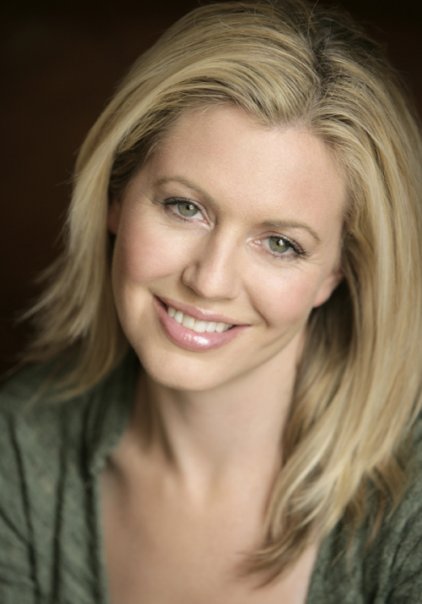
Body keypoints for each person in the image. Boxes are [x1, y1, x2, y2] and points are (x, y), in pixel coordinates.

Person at [1, 0, 422, 602]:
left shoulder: (411, 504)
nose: (210, 281)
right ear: (116, 196)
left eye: (280, 243)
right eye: (185, 207)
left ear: (338, 273)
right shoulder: (19, 447)